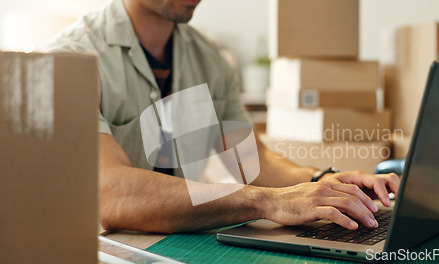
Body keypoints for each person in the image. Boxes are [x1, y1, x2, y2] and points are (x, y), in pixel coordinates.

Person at [43, 0, 400, 233]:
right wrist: (266, 201)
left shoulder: (209, 59)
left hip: (181, 242)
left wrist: (325, 181)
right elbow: (110, 194)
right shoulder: (67, 59)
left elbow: (250, 161)